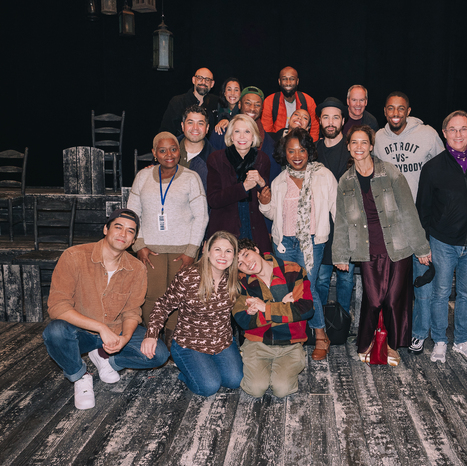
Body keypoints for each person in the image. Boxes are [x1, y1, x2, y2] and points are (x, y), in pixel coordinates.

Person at [42, 209, 169, 410]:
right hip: (80, 330)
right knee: (54, 332)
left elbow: (132, 311)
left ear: (134, 239)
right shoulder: (74, 256)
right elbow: (57, 306)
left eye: (130, 231)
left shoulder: (137, 268)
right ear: (105, 229)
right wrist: (100, 327)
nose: (123, 234)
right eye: (118, 227)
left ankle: (108, 360)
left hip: (115, 330)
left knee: (159, 355)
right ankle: (80, 375)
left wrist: (124, 339)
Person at [332, 125, 431, 366]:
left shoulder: (389, 172)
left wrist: (422, 248)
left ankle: (391, 344)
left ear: (371, 146)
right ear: (348, 147)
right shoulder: (345, 181)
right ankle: (365, 341)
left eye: (363, 142)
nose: (359, 147)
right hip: (367, 249)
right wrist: (340, 255)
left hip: (398, 246)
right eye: (354, 143)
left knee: (394, 299)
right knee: (374, 299)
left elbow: (408, 210)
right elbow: (342, 221)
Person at [372, 91, 444, 357]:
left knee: (421, 279)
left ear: (408, 110)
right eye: (390, 109)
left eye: (400, 109)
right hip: (390, 219)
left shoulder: (427, 134)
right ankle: (392, 329)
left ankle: (419, 333)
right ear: (385, 111)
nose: (395, 114)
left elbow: (442, 168)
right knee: (393, 283)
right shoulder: (379, 138)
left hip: (421, 217)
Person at [259, 127, 338, 360]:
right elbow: (274, 214)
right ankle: (293, 338)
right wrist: (264, 203)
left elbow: (337, 212)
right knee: (285, 291)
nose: (296, 155)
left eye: (301, 150)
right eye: (291, 150)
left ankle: (321, 336)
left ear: (309, 151)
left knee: (307, 289)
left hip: (311, 243)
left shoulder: (324, 176)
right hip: (284, 243)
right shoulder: (280, 180)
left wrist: (341, 247)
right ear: (284, 153)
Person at [128, 132, 209, 349]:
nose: (169, 154)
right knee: (151, 296)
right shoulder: (142, 177)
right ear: (154, 153)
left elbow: (201, 216)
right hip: (150, 249)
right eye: (162, 150)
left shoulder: (191, 178)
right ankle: (151, 340)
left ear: (179, 150)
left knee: (179, 298)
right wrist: (139, 245)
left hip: (182, 251)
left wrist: (191, 251)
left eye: (173, 148)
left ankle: (174, 343)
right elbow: (132, 214)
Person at [416, 110, 467, 364]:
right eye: (452, 129)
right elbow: (422, 209)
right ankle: (440, 341)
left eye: (463, 129)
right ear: (444, 133)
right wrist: (423, 245)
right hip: (443, 243)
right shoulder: (432, 168)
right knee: (441, 293)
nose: (458, 134)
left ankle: (462, 341)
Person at [141, 231, 243, 397]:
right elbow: (163, 305)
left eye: (228, 251)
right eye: (217, 249)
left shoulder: (234, 279)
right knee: (209, 387)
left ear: (234, 255)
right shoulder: (188, 276)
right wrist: (151, 334)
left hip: (222, 341)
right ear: (206, 250)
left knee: (234, 381)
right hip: (189, 343)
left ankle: (205, 367)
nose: (223, 255)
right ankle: (188, 372)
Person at [233, 238, 314, 398]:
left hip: (290, 343)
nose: (246, 263)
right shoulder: (240, 282)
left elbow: (306, 309)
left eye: (246, 255)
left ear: (256, 249)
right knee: (256, 389)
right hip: (258, 342)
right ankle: (258, 367)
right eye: (240, 264)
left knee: (281, 389)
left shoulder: (293, 270)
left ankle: (280, 370)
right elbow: (244, 321)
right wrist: (283, 306)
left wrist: (264, 307)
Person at [313, 97, 356, 314]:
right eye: (326, 117)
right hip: (320, 226)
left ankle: (343, 323)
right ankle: (318, 326)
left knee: (346, 279)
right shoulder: (312, 151)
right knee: (320, 278)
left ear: (343, 121)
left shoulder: (353, 151)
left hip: (347, 227)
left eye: (336, 117)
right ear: (319, 120)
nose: (331, 122)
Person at [206, 114, 272, 253]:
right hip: (225, 230)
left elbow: (267, 198)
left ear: (254, 136)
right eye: (237, 131)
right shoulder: (216, 159)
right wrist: (243, 188)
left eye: (247, 132)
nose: (242, 137)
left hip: (254, 229)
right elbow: (213, 200)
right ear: (231, 136)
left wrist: (262, 182)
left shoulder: (262, 159)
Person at [261, 66, 319, 140]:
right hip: (277, 143)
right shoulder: (270, 101)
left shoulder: (308, 101)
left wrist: (311, 146)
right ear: (279, 81)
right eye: (284, 79)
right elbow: (267, 132)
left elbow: (314, 128)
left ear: (297, 81)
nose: (288, 83)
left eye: (292, 79)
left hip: (302, 142)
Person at [160, 67, 219, 136]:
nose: (203, 82)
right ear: (193, 80)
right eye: (199, 78)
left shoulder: (216, 102)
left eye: (207, 79)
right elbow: (165, 131)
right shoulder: (177, 102)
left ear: (212, 84)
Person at [179, 105, 216, 192]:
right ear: (182, 126)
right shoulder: (167, 149)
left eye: (200, 123)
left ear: (207, 128)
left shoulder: (215, 160)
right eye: (190, 122)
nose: (195, 128)